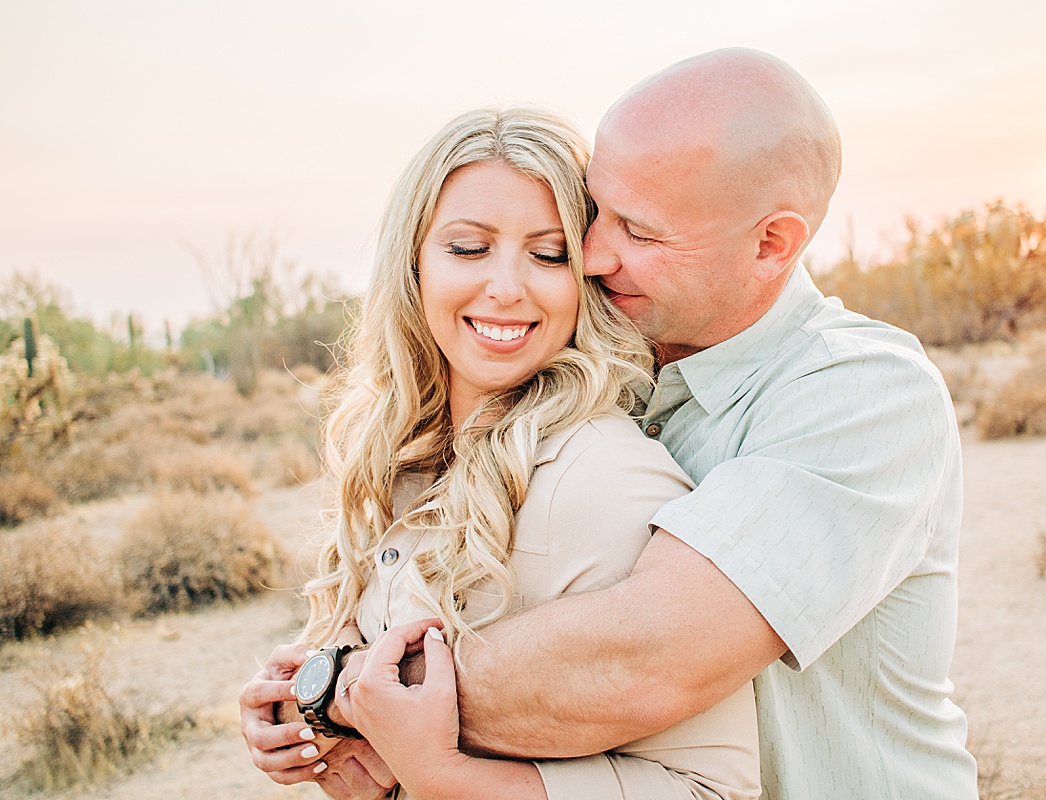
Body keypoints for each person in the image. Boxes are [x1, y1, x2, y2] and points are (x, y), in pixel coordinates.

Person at [245, 47, 980, 800]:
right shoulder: (570, 373)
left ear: (772, 244)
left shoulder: (862, 396)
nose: (593, 255)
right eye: (593, 214)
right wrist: (319, 685)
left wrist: (341, 694)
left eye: (638, 230)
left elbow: (644, 660)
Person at [240, 105, 761, 800]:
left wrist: (445, 780)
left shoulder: (600, 473)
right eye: (468, 248)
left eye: (548, 254)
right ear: (413, 264)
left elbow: (710, 787)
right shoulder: (402, 462)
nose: (508, 287)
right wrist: (311, 715)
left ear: (583, 277)